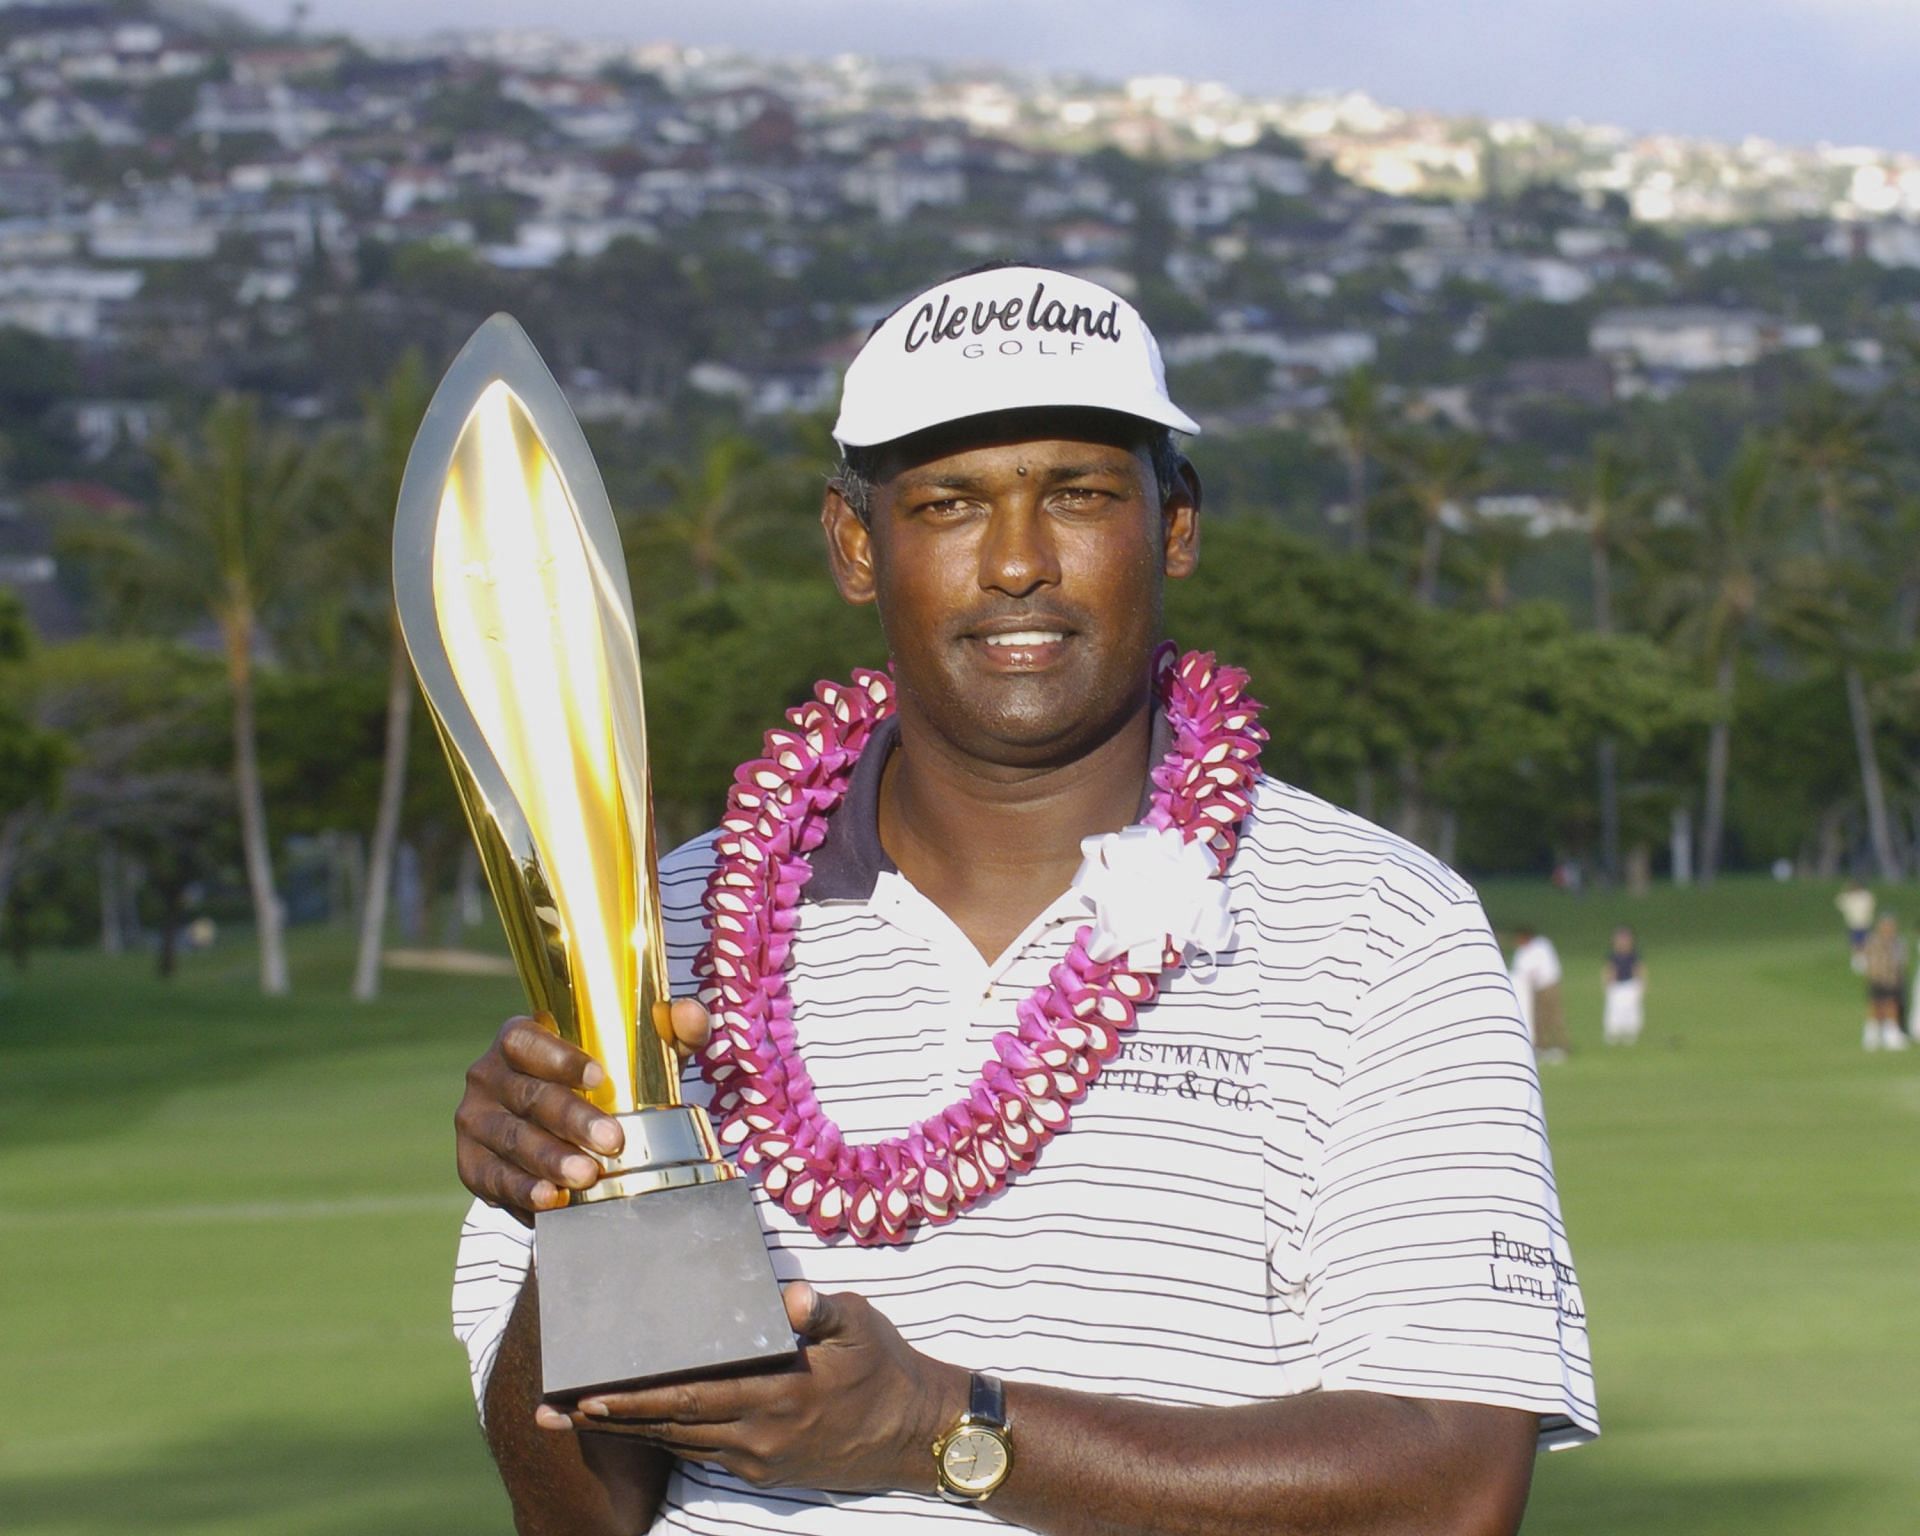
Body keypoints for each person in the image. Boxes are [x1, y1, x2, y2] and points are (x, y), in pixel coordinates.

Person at [449, 263, 1597, 1536]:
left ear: (1174, 524)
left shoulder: (1381, 929)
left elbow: (1453, 1489)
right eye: (947, 503)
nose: (1015, 563)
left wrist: (936, 1426)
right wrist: (591, 1212)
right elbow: (576, 1519)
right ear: (854, 543)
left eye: (1079, 495)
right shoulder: (659, 934)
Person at [1509, 925, 1570, 1063]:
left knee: (1554, 1016)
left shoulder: (1541, 945)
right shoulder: (1521, 952)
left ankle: (1562, 1045)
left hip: (1548, 985)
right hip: (1533, 989)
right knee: (1538, 1018)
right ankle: (1541, 1046)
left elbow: (1545, 966)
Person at [1861, 913, 1908, 1052]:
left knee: (1892, 1005)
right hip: (1878, 978)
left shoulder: (1898, 942)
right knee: (1876, 1006)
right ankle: (1872, 1035)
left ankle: (1891, 1034)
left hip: (1893, 979)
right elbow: (1869, 960)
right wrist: (1873, 974)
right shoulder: (1874, 941)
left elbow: (1902, 961)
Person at [1601, 925, 1645, 1046]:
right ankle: (1613, 1032)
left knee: (1631, 1008)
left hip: (1630, 984)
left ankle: (1630, 1032)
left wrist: (1640, 983)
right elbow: (1609, 970)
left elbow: (1638, 969)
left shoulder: (1634, 955)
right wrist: (1607, 983)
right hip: (1616, 986)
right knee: (1614, 1008)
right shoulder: (1613, 955)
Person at [1837, 879, 1875, 974]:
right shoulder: (1849, 897)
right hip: (1853, 924)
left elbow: (1870, 904)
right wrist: (1845, 890)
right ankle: (1857, 963)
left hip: (1865, 923)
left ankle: (1865, 961)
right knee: (1855, 944)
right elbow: (1839, 902)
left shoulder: (1865, 896)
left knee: (1866, 943)